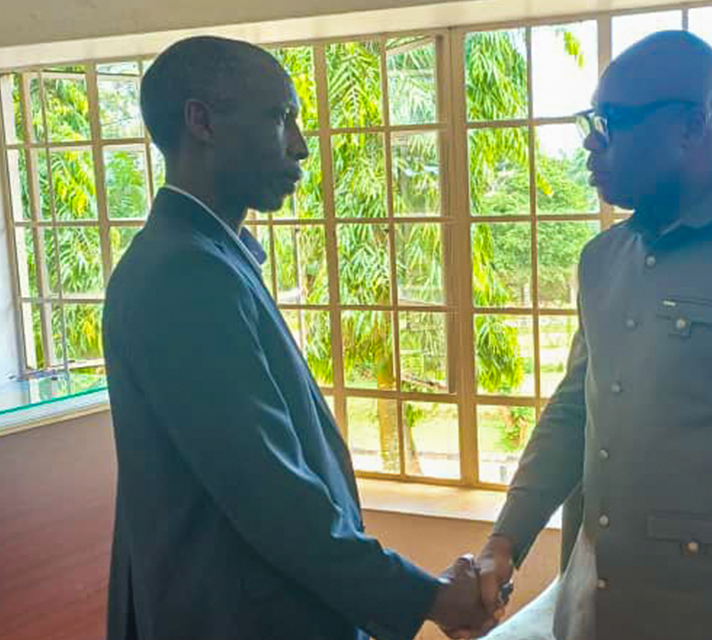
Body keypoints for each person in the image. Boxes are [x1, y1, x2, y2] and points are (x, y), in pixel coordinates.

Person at [476, 30, 712, 640]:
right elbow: (576, 410)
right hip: (592, 615)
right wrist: (506, 539)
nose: (590, 141)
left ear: (691, 125)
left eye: (609, 121)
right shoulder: (602, 260)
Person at [103, 36, 492, 640]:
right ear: (201, 121)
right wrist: (426, 597)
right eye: (280, 117)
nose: (301, 145)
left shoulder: (204, 257)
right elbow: (269, 494)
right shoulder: (184, 274)